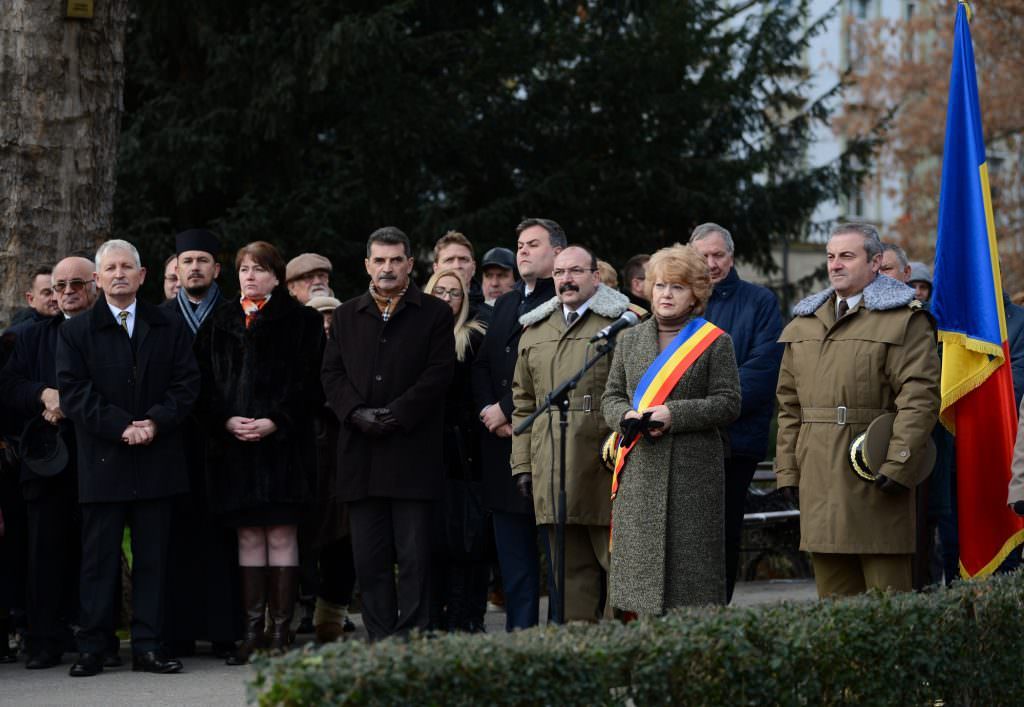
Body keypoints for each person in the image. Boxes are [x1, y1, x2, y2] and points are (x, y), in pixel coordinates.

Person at [57, 239, 200, 676]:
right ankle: (95, 647)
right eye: (110, 268)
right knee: (99, 560)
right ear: (97, 280)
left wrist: (154, 422)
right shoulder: (76, 331)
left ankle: (149, 646)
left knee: (154, 558)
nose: (119, 274)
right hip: (104, 461)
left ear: (142, 276)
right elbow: (74, 392)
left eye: (127, 267)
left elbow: (187, 384)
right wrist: (122, 425)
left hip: (158, 458)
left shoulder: (168, 325)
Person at [775, 223, 941, 598]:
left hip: (874, 474)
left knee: (887, 607)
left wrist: (899, 462)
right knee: (834, 614)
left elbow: (920, 397)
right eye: (831, 257)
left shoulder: (904, 319)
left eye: (847, 256)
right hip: (818, 477)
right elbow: (788, 406)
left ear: (876, 262)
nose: (835, 265)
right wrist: (787, 469)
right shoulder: (805, 323)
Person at [321, 226, 455, 640]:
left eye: (396, 259)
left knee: (414, 556)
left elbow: (438, 375)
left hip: (412, 453)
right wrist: (357, 413)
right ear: (366, 265)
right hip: (360, 455)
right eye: (379, 260)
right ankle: (380, 636)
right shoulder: (345, 315)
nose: (387, 268)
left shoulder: (433, 313)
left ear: (411, 264)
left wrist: (396, 414)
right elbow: (331, 373)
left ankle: (413, 634)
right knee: (369, 557)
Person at [193, 241, 323, 664]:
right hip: (234, 452)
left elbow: (311, 385)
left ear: (277, 275)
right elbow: (202, 385)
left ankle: (281, 630)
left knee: (282, 535)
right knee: (249, 537)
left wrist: (276, 421)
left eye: (259, 268)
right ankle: (252, 632)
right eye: (244, 268)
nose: (250, 275)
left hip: (283, 450)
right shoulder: (220, 321)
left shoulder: (301, 322)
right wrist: (225, 420)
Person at [602, 244, 740, 614]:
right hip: (640, 474)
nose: (666, 294)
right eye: (660, 285)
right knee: (638, 591)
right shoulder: (629, 340)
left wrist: (675, 415)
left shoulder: (715, 341)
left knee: (690, 589)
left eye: (677, 287)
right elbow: (611, 396)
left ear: (695, 293)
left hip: (692, 477)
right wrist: (624, 417)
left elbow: (728, 402)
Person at [511, 245, 633, 622]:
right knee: (569, 576)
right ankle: (585, 660)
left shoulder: (625, 324)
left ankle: (625, 658)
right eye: (560, 272)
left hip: (606, 467)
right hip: (553, 465)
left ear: (596, 276)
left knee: (622, 570)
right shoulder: (534, 330)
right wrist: (522, 464)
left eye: (576, 271)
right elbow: (523, 402)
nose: (566, 279)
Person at [0, 257, 98, 669]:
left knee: (96, 551)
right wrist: (44, 394)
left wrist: (69, 403)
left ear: (93, 286)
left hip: (99, 457)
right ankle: (43, 640)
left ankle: (94, 635)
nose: (68, 291)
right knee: (42, 552)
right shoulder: (28, 338)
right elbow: (9, 386)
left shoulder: (111, 333)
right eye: (61, 285)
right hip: (43, 461)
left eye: (77, 283)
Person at [470, 217, 563, 630]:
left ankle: (564, 634)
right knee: (514, 559)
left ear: (558, 253)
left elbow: (558, 370)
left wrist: (509, 409)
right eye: (520, 244)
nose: (522, 251)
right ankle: (521, 636)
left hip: (548, 443)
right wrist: (490, 411)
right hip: (502, 447)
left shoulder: (566, 300)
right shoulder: (506, 303)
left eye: (533, 244)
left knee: (559, 556)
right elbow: (483, 364)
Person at [689, 223, 784, 602]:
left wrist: (703, 408)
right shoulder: (679, 300)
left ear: (732, 257)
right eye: (703, 256)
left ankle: (715, 612)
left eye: (719, 255)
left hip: (735, 441)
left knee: (721, 532)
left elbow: (763, 370)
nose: (711, 264)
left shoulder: (759, 302)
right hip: (682, 437)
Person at [158, 229, 237, 659]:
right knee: (177, 537)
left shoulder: (234, 314)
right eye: (186, 260)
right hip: (173, 441)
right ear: (176, 268)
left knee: (222, 538)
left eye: (202, 260)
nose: (194, 267)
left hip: (224, 441)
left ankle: (225, 629)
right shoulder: (159, 318)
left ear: (216, 269)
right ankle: (180, 632)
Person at [425, 268, 489, 632]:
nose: (446, 298)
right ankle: (433, 615)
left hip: (465, 453)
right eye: (440, 291)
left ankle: (467, 615)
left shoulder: (474, 337)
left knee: (466, 539)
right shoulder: (414, 337)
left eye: (454, 293)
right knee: (431, 539)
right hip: (426, 452)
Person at [303, 294, 356, 643]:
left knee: (343, 542)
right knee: (300, 542)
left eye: (330, 317)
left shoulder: (353, 354)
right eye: (319, 317)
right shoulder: (297, 357)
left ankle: (332, 615)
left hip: (343, 459)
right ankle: (290, 613)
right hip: (306, 462)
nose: (325, 323)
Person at [434, 231, 483, 309]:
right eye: (449, 260)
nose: (457, 266)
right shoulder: (421, 310)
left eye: (463, 259)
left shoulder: (492, 316)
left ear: (473, 267)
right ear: (435, 268)